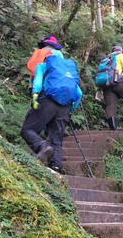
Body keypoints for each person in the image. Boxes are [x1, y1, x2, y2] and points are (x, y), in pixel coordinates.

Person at [20, 44, 82, 173]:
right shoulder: (68, 71)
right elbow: (79, 94)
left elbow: (37, 82)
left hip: (48, 101)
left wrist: (35, 95)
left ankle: (42, 145)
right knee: (56, 138)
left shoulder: (43, 66)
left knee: (27, 129)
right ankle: (56, 167)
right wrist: (71, 110)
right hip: (65, 107)